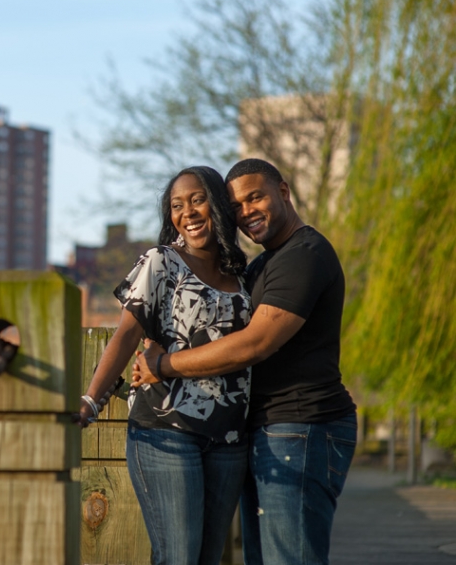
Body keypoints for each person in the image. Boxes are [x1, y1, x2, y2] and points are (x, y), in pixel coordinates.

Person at [132, 158, 357, 565]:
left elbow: (255, 343)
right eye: (236, 206)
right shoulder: (259, 265)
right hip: (269, 430)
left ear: (284, 192)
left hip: (302, 425)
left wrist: (164, 365)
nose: (246, 212)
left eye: (256, 197)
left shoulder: (304, 254)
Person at [78, 165, 252, 565]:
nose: (187, 212)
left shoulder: (242, 274)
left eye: (197, 200)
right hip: (166, 432)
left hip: (229, 440)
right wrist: (90, 401)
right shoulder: (162, 262)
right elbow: (125, 335)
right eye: (177, 205)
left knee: (208, 558)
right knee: (179, 556)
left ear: (220, 205)